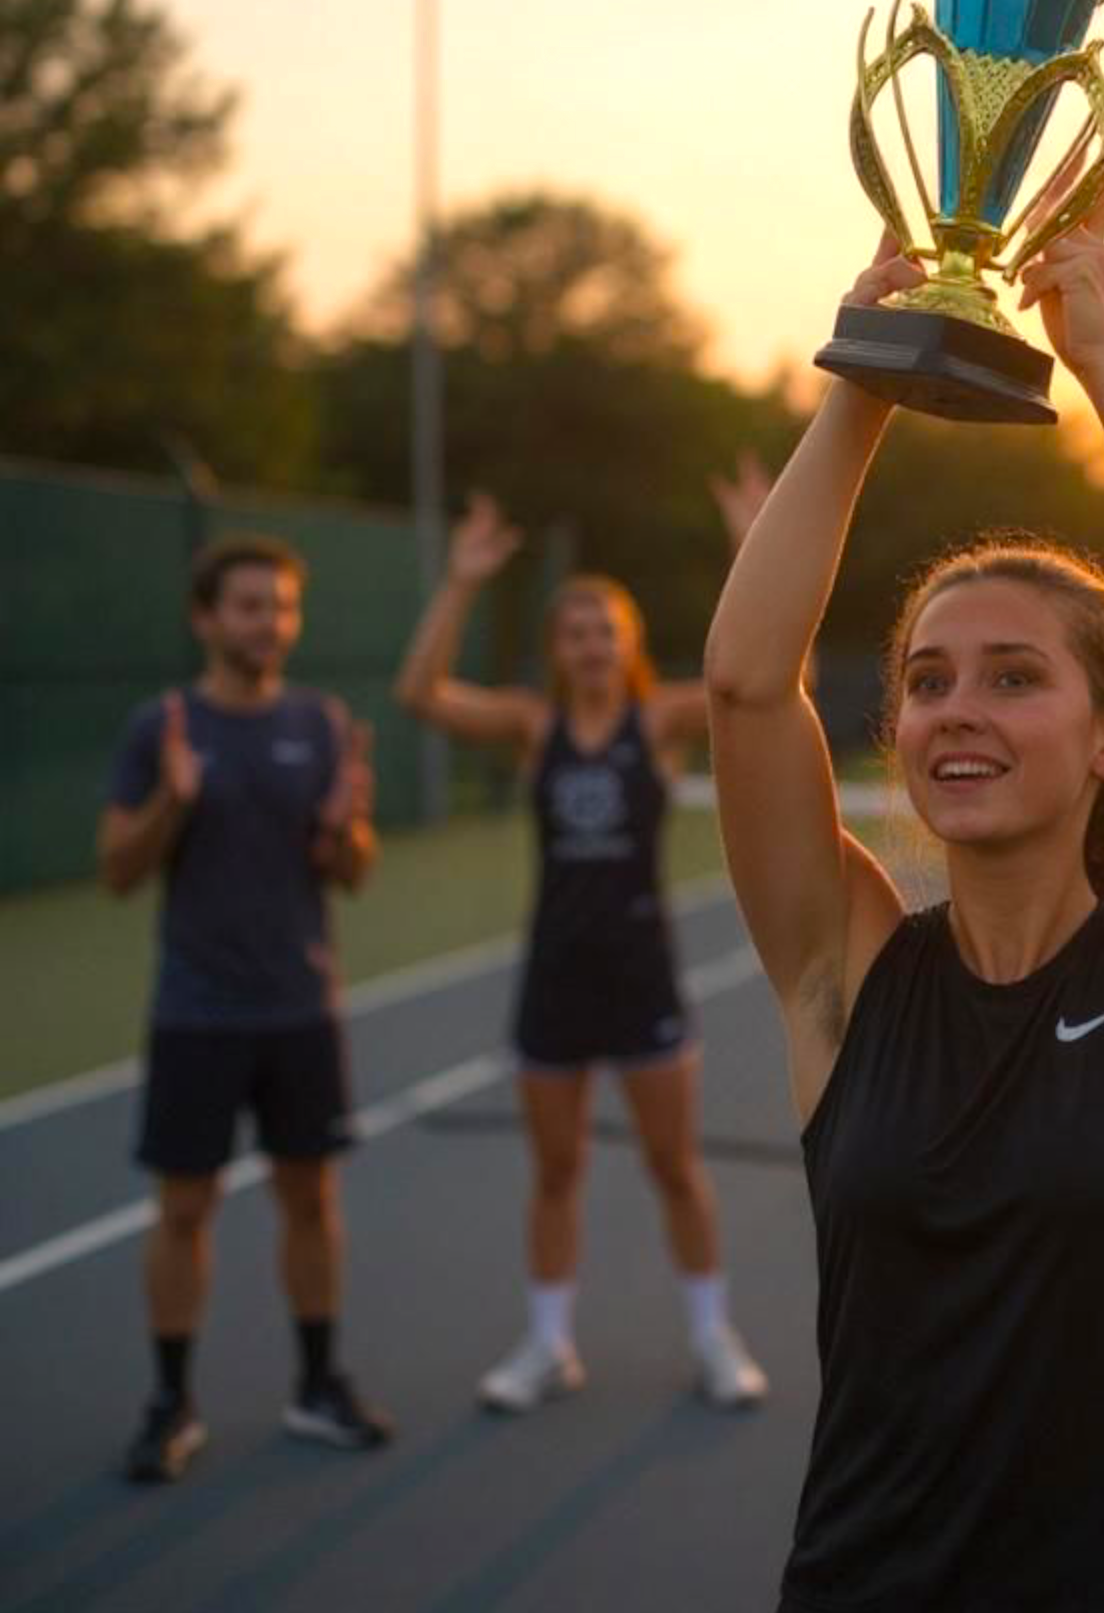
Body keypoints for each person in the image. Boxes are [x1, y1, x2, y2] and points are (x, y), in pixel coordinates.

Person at [704, 167, 1104, 1613]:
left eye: (1014, 678)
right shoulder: (846, 976)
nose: (957, 709)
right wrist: (863, 380)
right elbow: (740, 684)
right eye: (927, 680)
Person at [394, 478, 772, 1414]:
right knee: (556, 1171)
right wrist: (461, 581)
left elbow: (771, 673)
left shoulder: (661, 720)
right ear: (558, 653)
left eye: (605, 630)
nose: (592, 646)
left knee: (674, 1166)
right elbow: (419, 694)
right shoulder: (535, 728)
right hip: (554, 979)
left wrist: (754, 544)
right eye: (575, 634)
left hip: (641, 974)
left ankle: (711, 1336)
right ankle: (549, 1344)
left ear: (628, 641)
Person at [100, 534, 390, 1484]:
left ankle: (316, 1386)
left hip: (300, 1009)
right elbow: (116, 871)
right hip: (196, 1014)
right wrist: (170, 804)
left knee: (313, 1196)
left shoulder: (321, 720)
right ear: (206, 618)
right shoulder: (163, 727)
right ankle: (169, 1403)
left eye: (283, 607)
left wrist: (344, 826)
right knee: (185, 1206)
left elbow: (350, 873)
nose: (270, 623)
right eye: (250, 606)